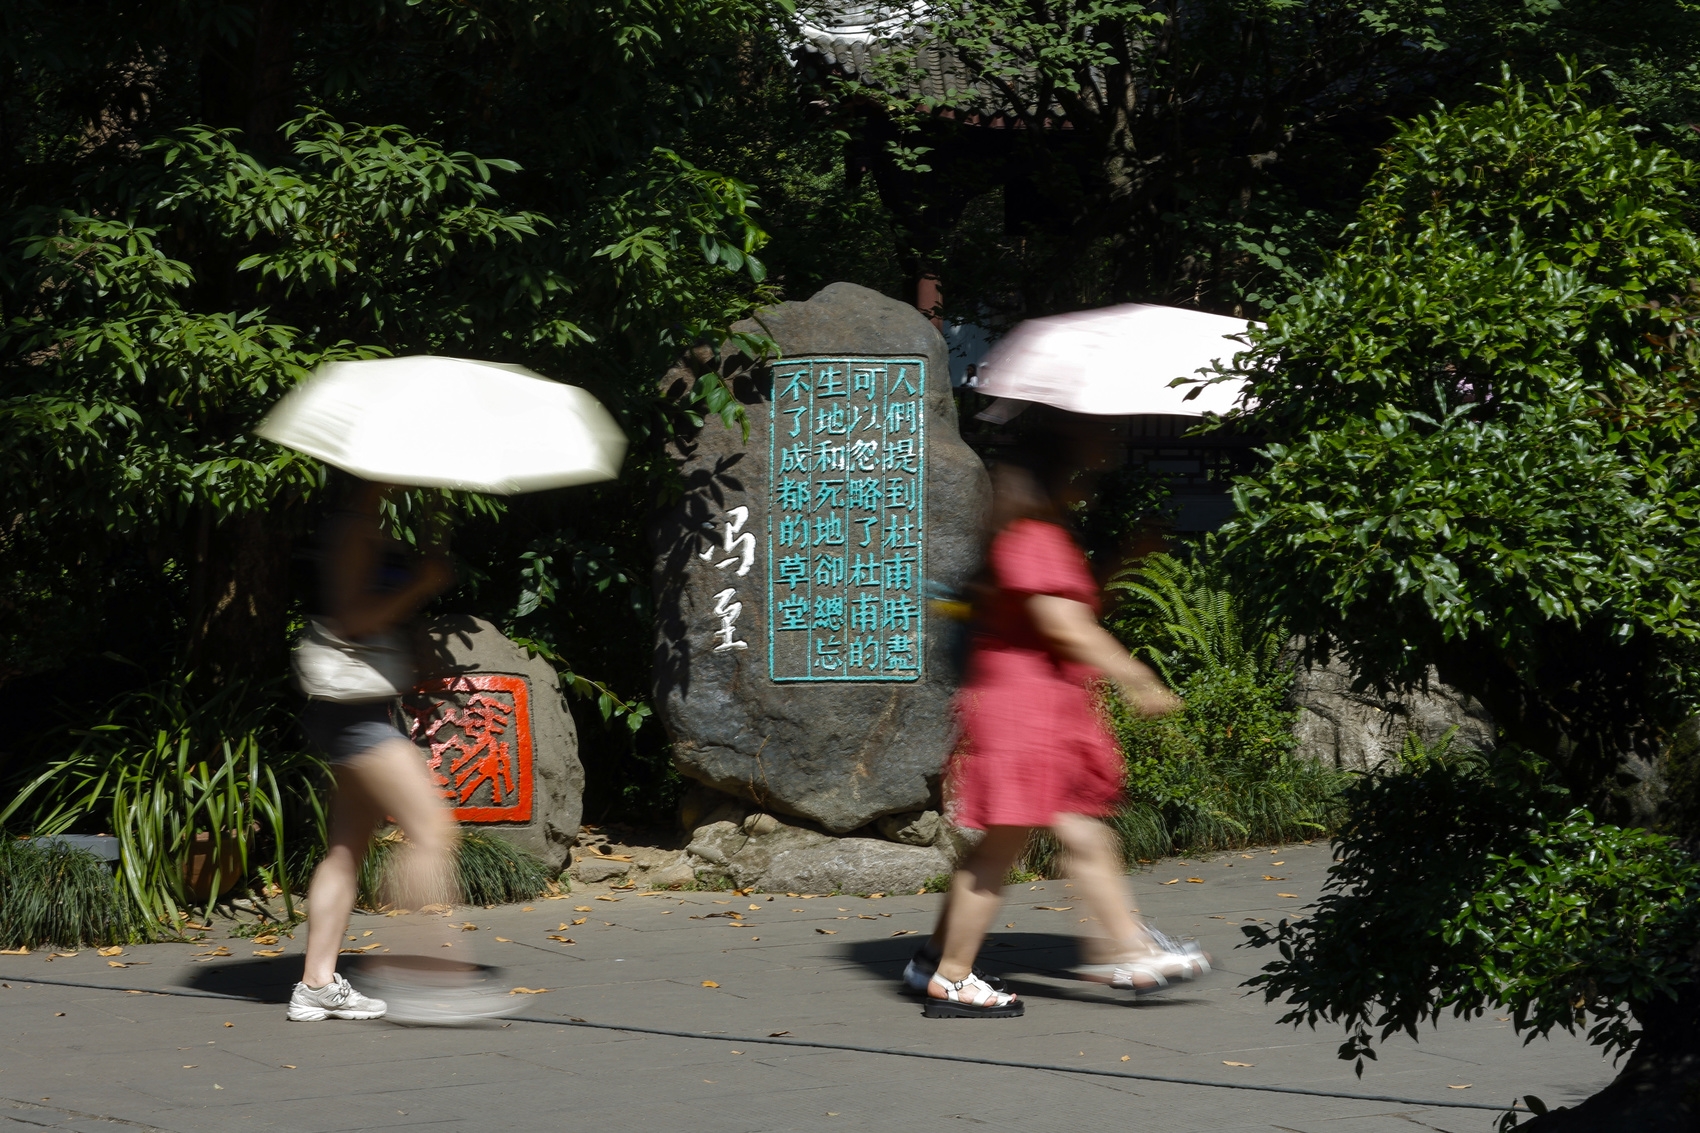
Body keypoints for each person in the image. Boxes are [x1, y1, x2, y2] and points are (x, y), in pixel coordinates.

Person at [904, 434, 1205, 1018]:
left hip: (1029, 714)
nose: (1087, 483)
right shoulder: (1035, 538)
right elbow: (1063, 624)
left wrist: (1126, 560)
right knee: (1003, 854)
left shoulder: (1023, 539)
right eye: (1080, 472)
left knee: (1066, 840)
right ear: (1052, 479)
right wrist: (1136, 677)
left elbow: (1057, 619)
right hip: (1026, 719)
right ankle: (954, 977)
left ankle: (1120, 948)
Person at [287, 479, 457, 1023]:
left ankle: (316, 982)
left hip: (350, 710)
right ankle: (425, 977)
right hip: (357, 713)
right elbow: (355, 619)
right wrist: (421, 585)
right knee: (433, 832)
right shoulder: (355, 532)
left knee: (346, 848)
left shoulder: (359, 526)